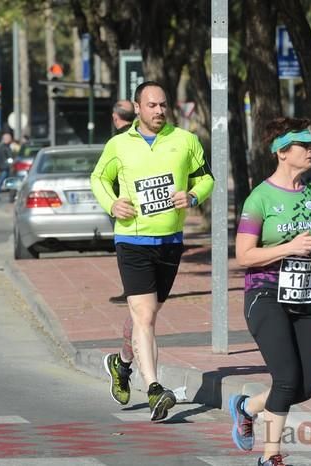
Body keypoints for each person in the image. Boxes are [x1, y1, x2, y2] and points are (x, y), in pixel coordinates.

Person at [91, 81, 214, 421]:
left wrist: (192, 197)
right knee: (144, 316)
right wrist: (112, 204)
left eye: (163, 105)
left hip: (170, 241)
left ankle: (121, 363)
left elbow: (206, 179)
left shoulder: (185, 141)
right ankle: (156, 388)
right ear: (138, 107)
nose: (159, 111)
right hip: (132, 241)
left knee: (147, 314)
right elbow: (98, 179)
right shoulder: (119, 146)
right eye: (152, 105)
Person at [228, 117, 311, 466]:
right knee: (286, 379)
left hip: (302, 297)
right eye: (305, 146)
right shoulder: (260, 198)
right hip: (265, 295)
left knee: (305, 387)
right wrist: (288, 247)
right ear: (282, 152)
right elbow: (243, 255)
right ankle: (271, 456)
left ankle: (246, 406)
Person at [107, 99, 137, 305]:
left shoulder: (118, 141)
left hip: (123, 201)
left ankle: (132, 290)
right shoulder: (140, 137)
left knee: (126, 248)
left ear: (115, 117)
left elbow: (106, 174)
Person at [0, 132, 12, 200]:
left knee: (3, 180)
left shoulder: (0, 147)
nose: (10, 139)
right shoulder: (5, 147)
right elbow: (9, 157)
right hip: (6, 167)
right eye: (9, 138)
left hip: (2, 166)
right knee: (5, 180)